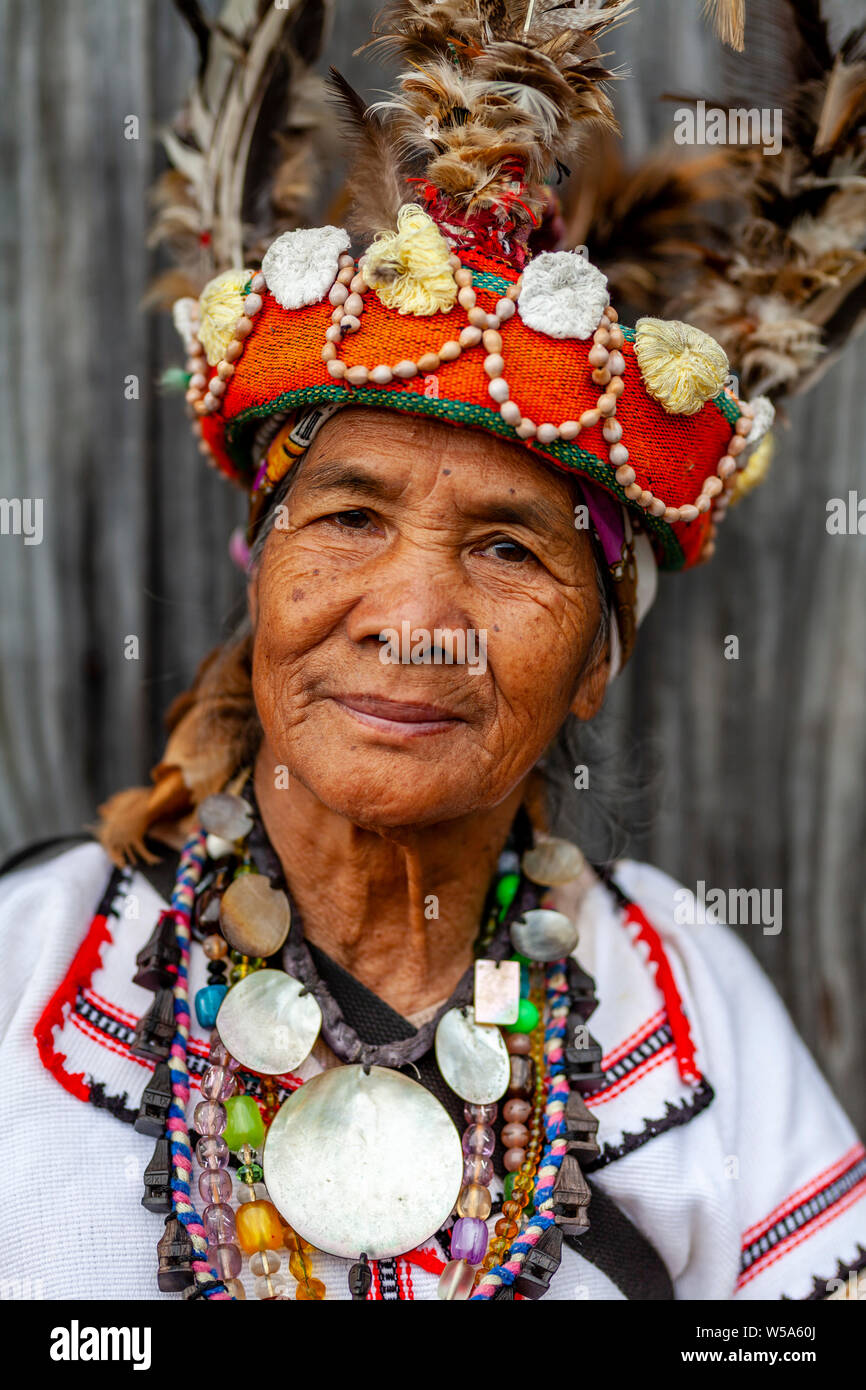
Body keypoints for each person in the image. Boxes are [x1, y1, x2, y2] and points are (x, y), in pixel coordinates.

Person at [1, 0, 863, 1302]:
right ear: (265, 573)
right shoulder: (35, 962)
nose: (410, 615)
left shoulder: (680, 1001)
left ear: (594, 657)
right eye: (348, 515)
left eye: (509, 546)